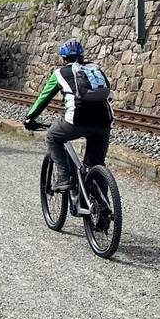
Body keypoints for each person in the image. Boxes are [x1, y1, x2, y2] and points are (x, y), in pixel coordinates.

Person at [23, 38, 113, 206]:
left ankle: (64, 178)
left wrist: (30, 117)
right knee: (97, 164)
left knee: (52, 136)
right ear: (82, 56)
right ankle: (103, 210)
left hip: (76, 120)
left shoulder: (60, 73)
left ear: (63, 59)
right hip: (103, 121)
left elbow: (44, 98)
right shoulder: (94, 68)